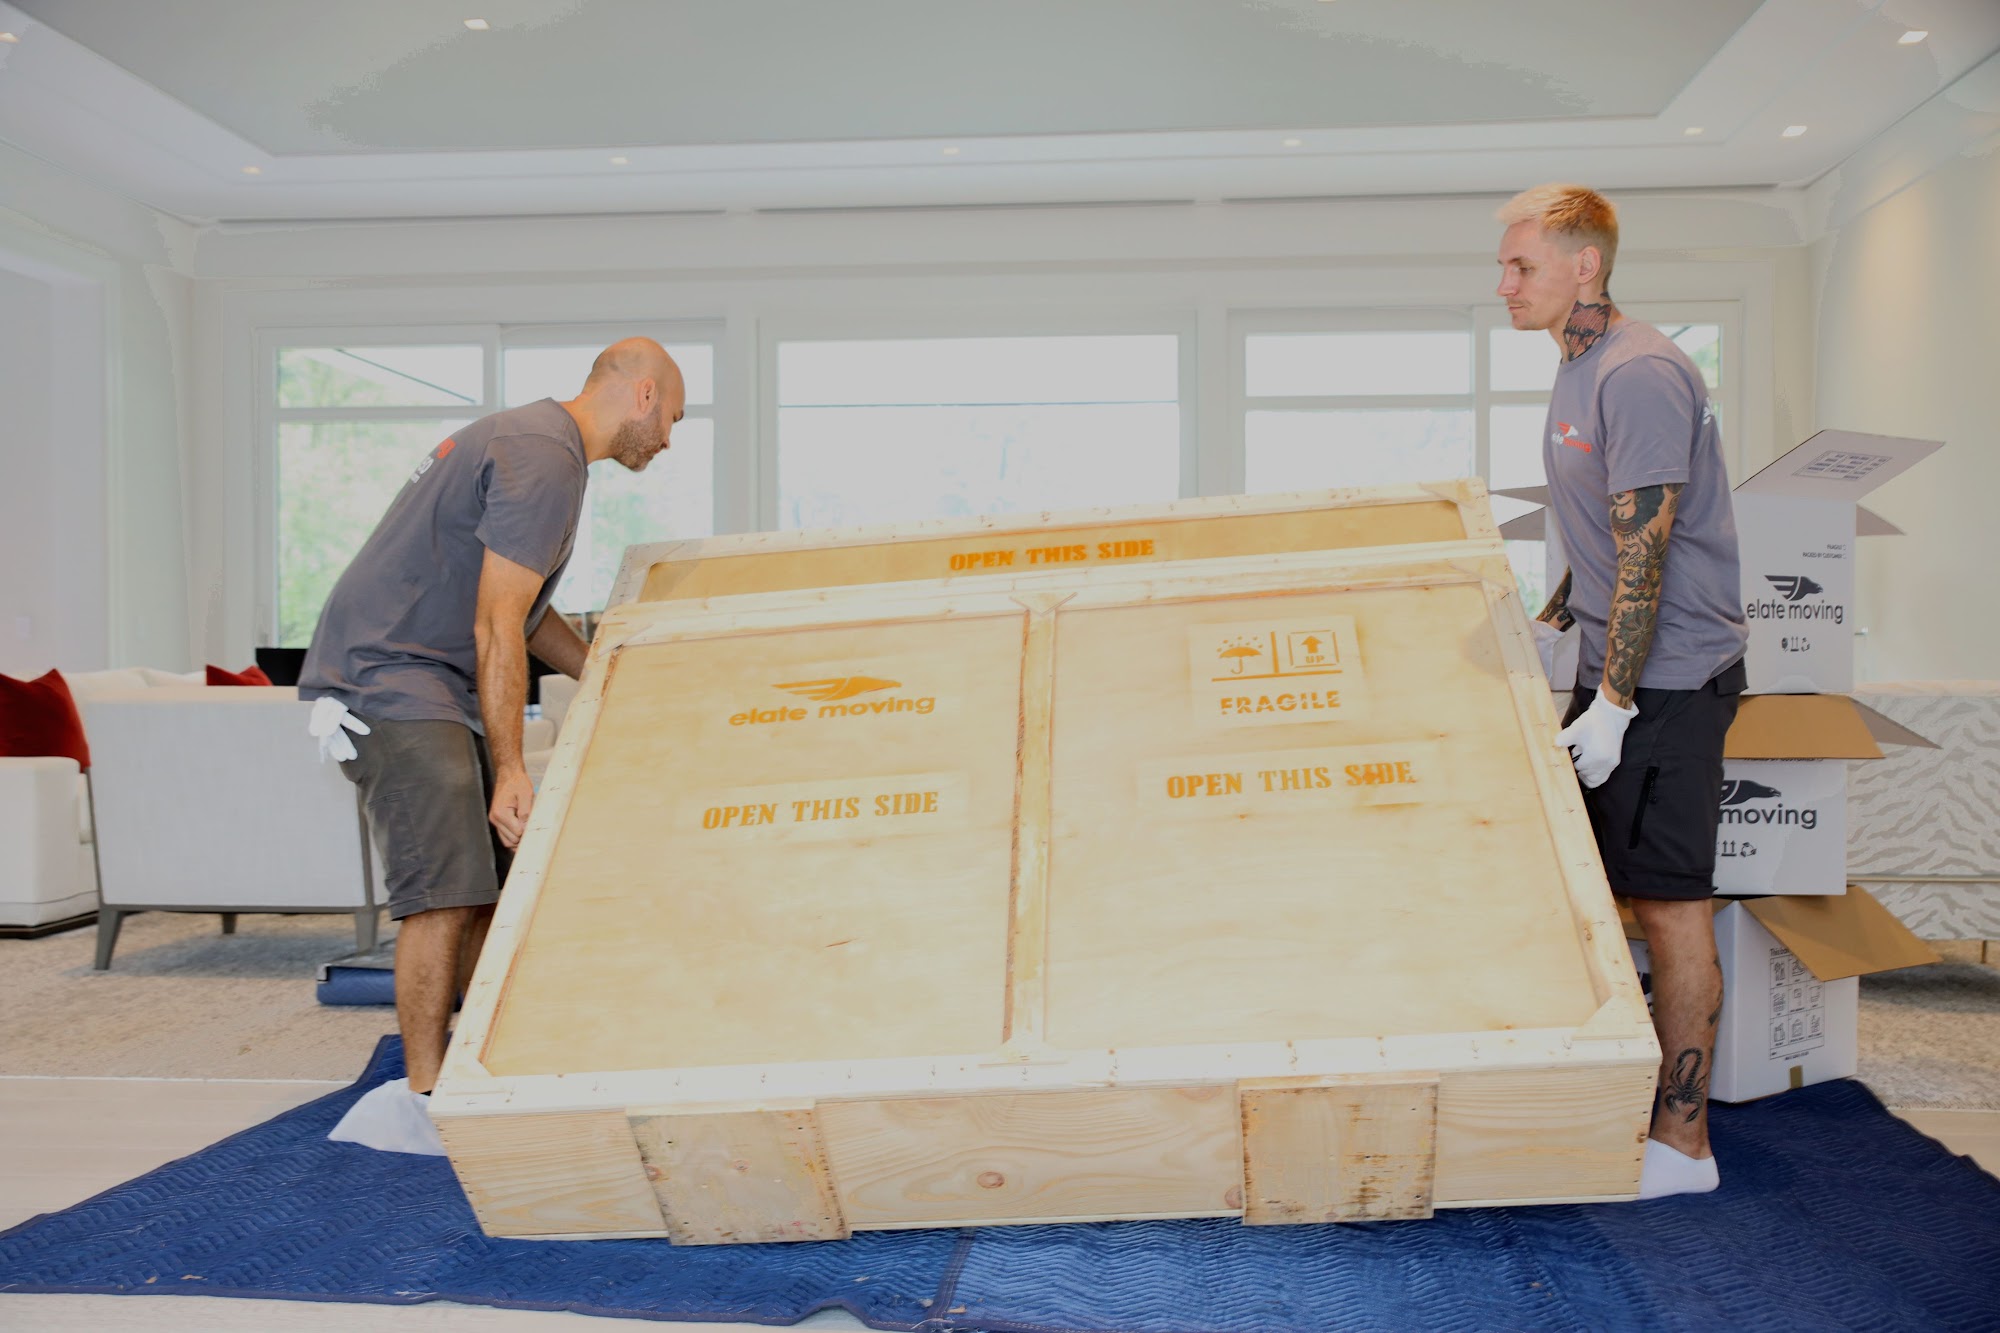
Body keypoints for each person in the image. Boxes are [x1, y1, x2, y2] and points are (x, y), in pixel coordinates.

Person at [303, 338, 685, 1154]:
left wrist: (605, 669)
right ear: (644, 395)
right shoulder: (543, 456)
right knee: (443, 890)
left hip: (426, 677)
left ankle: (480, 1069)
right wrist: (511, 767)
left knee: (491, 885)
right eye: (674, 420)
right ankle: (424, 1097)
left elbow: (526, 610)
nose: (669, 441)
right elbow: (496, 623)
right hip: (389, 675)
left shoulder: (543, 449)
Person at [1496, 185, 1748, 1200]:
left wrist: (1614, 703)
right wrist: (1550, 614)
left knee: (1670, 906)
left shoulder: (1638, 372)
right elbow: (1601, 539)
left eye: (1521, 265)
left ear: (1584, 265)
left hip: (1668, 680)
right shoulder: (1576, 367)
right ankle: (1597, 1097)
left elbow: (1648, 550)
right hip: (1615, 665)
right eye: (1504, 265)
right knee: (1582, 890)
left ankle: (1683, 1146)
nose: (1504, 284)